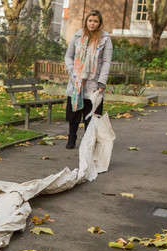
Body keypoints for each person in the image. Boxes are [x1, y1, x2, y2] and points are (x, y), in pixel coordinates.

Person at [64, 9, 112, 149]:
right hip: (77, 81)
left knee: (91, 115)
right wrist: (73, 71)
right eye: (90, 20)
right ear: (86, 21)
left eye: (95, 21)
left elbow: (106, 62)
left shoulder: (105, 38)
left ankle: (88, 141)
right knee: (74, 113)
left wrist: (102, 81)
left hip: (94, 83)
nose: (92, 23)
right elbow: (68, 56)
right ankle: (71, 137)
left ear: (100, 23)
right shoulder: (78, 35)